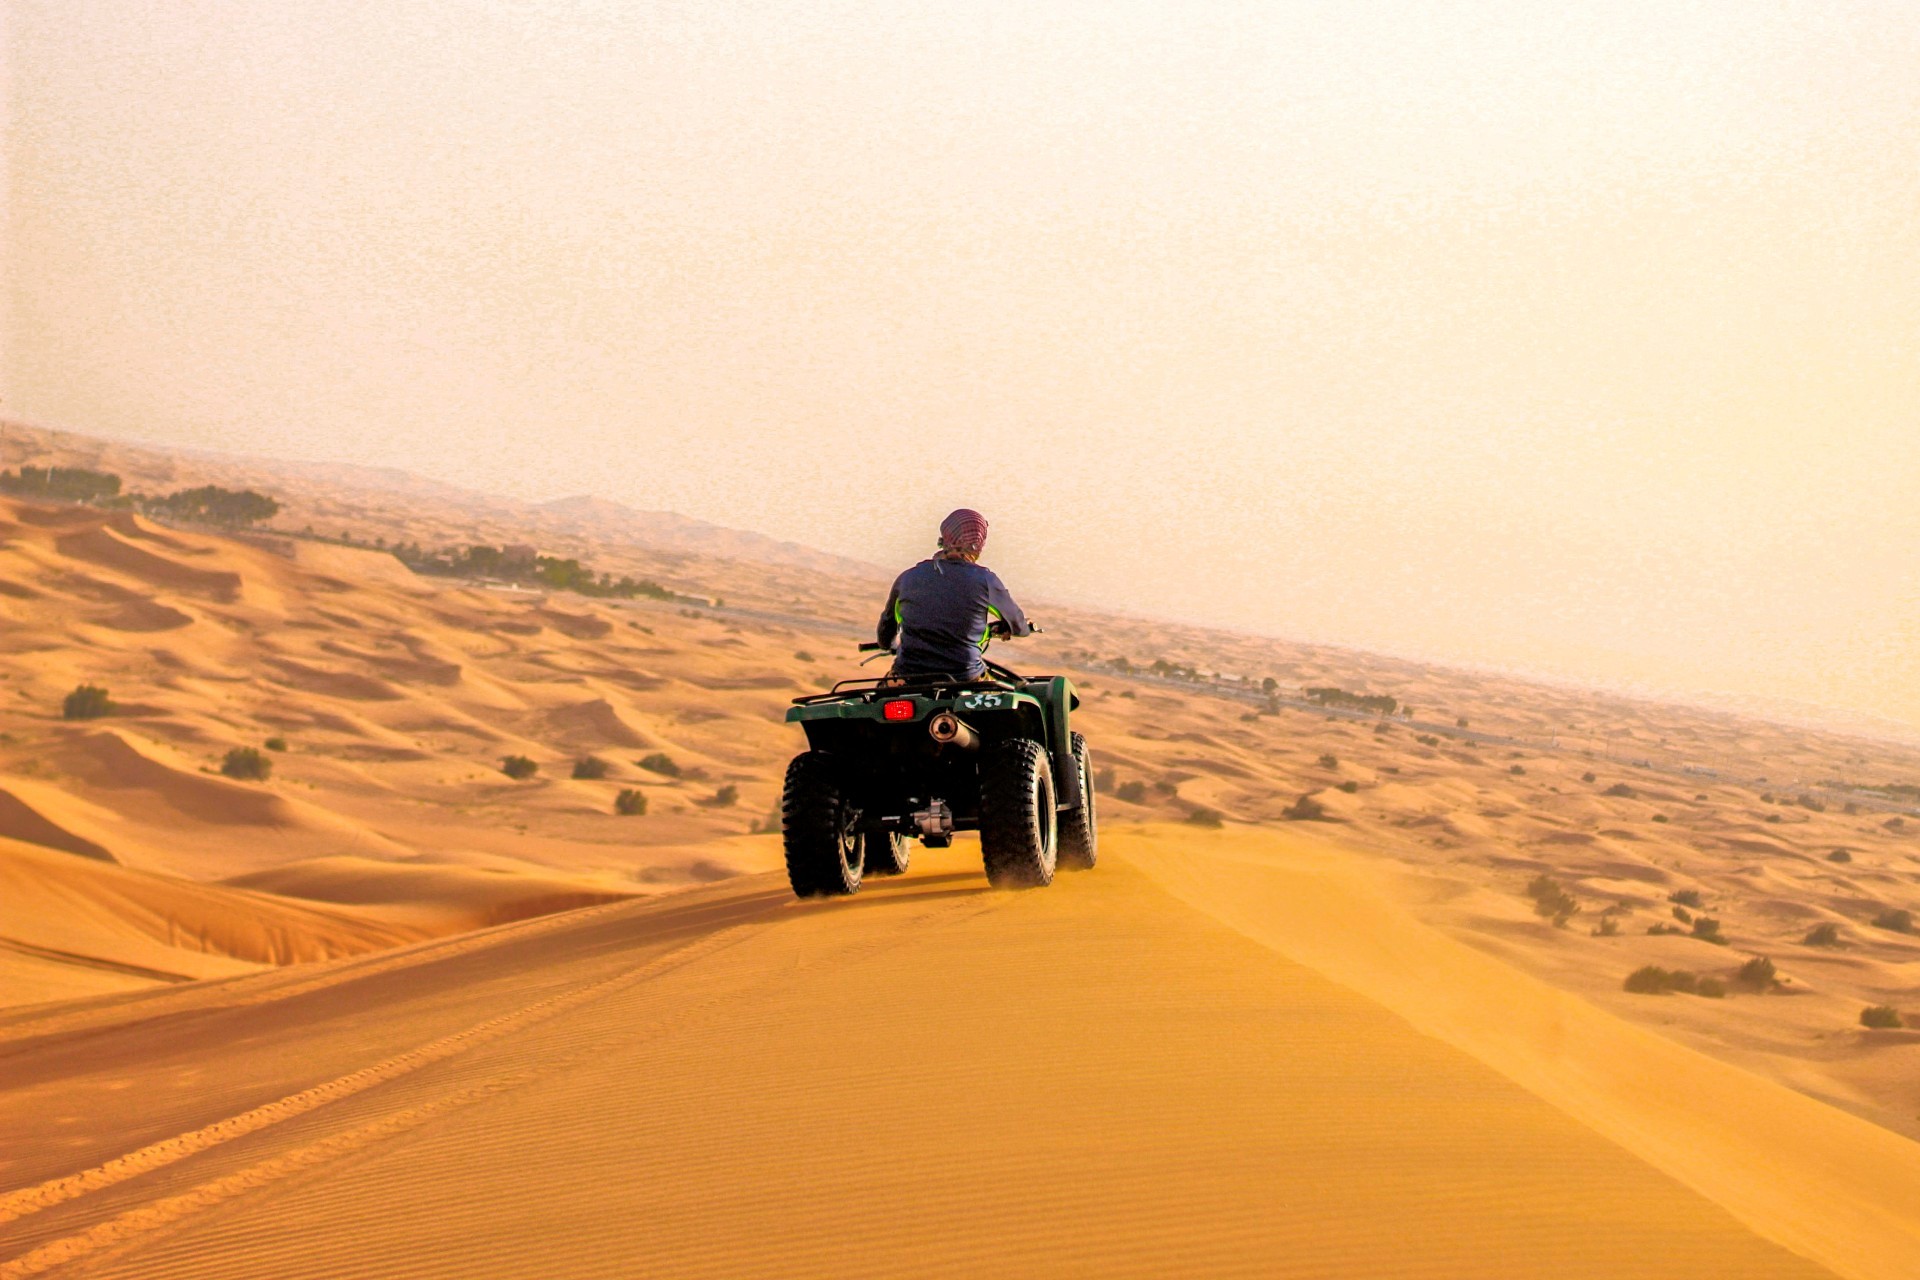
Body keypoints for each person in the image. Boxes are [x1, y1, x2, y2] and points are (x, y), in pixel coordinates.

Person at [876, 508, 1032, 679]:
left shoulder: (907, 578)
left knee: (879, 698)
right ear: (979, 543)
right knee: (1006, 694)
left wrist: (891, 645)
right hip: (965, 677)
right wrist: (1011, 627)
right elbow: (1018, 626)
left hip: (908, 676)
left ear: (945, 537)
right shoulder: (986, 581)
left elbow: (885, 631)